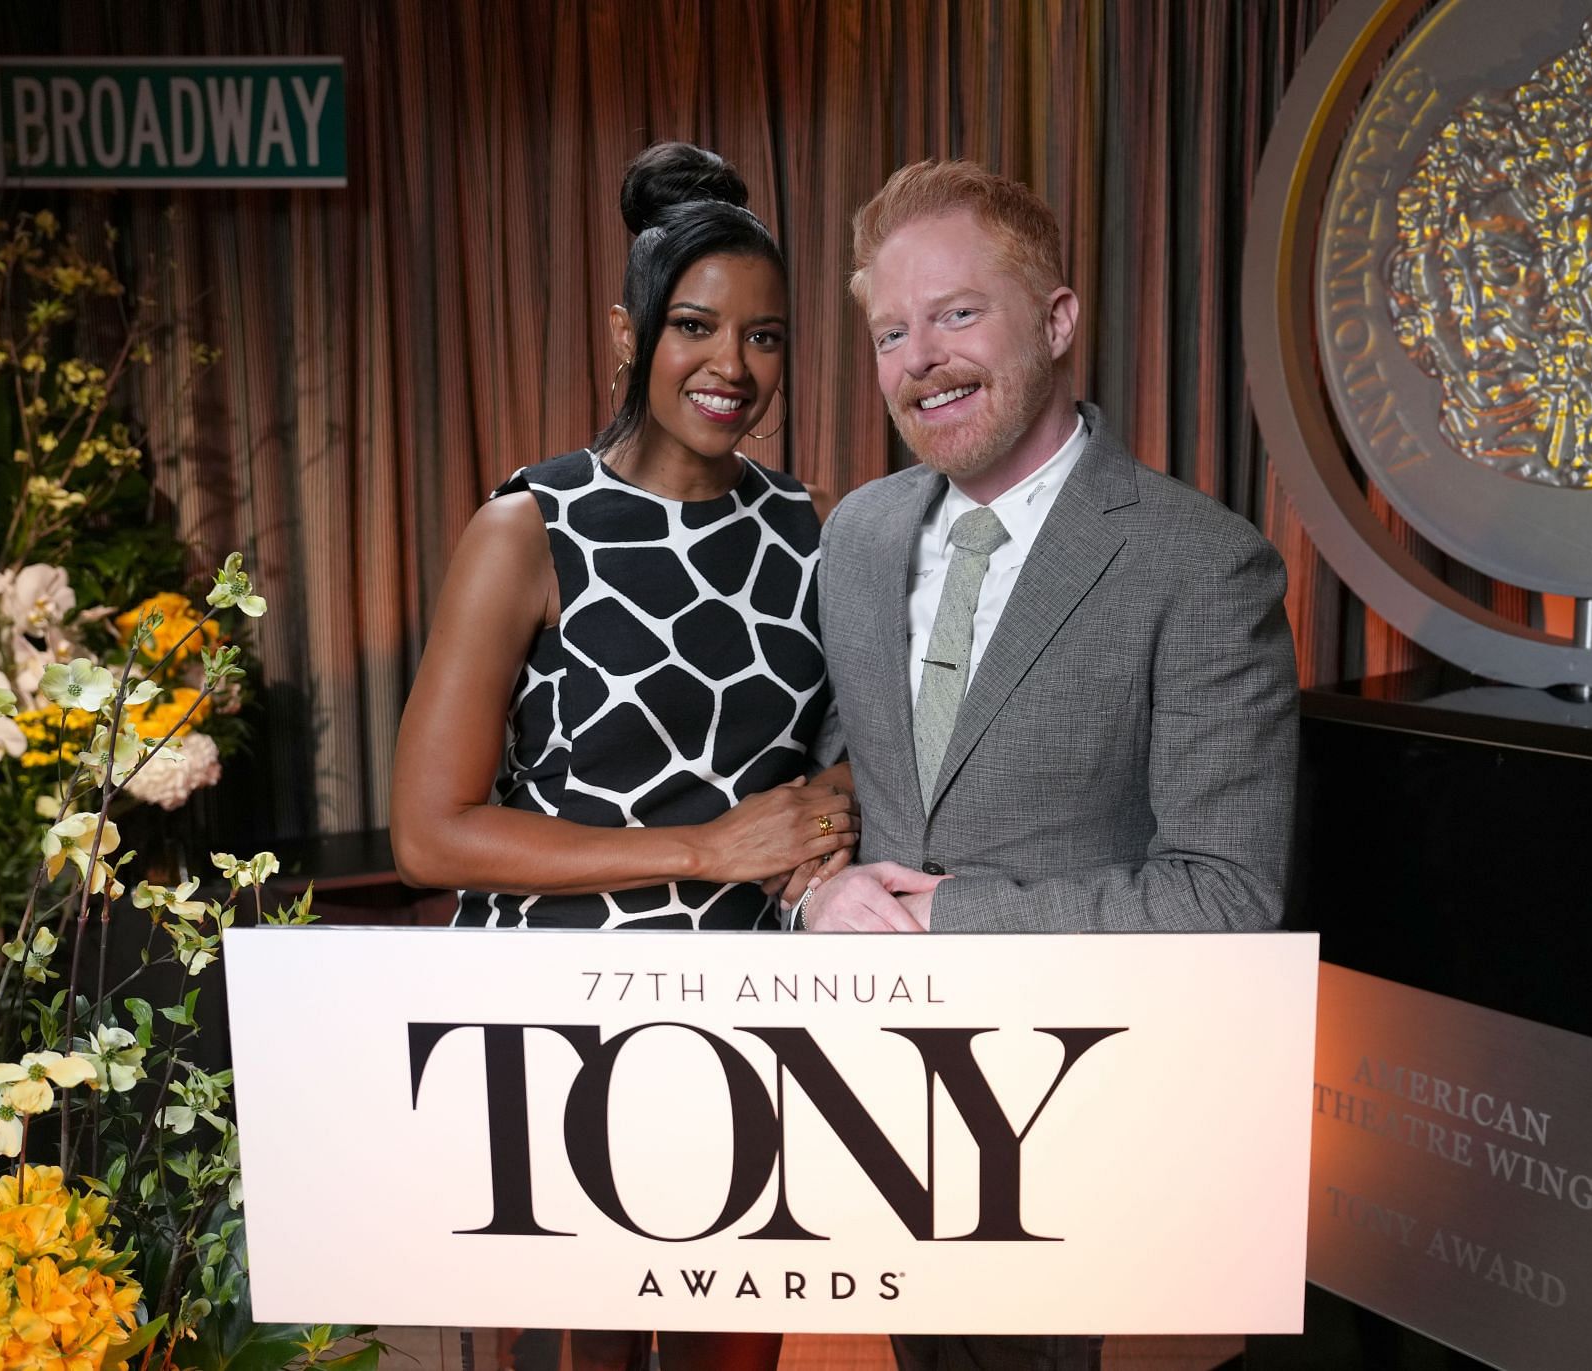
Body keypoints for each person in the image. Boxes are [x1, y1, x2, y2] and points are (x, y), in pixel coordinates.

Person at [796, 159, 1300, 1370]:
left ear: (1058, 320)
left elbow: (1227, 899)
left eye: (959, 313)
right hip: (885, 1122)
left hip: (1092, 1137)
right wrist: (815, 888)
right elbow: (829, 791)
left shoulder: (1199, 563)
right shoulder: (856, 535)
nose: (923, 358)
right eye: (892, 331)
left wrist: (948, 923)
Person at [390, 141, 852, 1371]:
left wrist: (839, 805)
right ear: (627, 332)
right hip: (553, 1023)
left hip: (754, 1020)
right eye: (695, 325)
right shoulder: (529, 529)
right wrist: (705, 847)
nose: (732, 366)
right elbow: (431, 831)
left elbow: (856, 755)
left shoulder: (814, 530)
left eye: (765, 337)